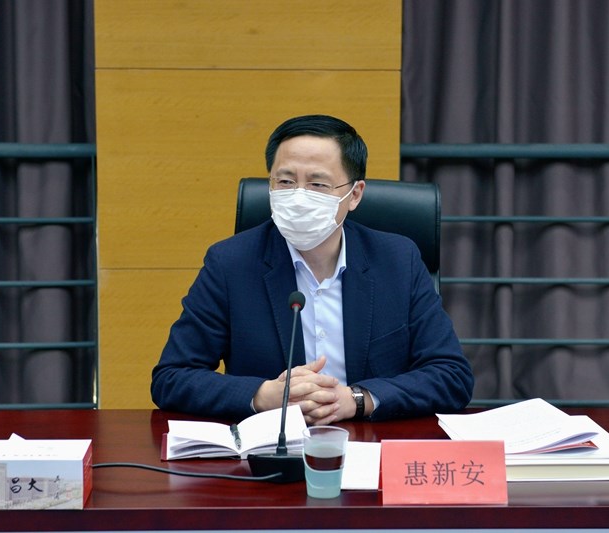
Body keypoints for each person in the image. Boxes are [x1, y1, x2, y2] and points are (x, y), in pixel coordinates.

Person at [151, 114, 473, 424]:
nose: (299, 197)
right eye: (286, 181)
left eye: (318, 184)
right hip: (270, 446)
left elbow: (451, 375)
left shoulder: (398, 260)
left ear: (354, 195)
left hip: (370, 440)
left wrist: (357, 399)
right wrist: (263, 395)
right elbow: (172, 378)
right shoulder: (230, 263)